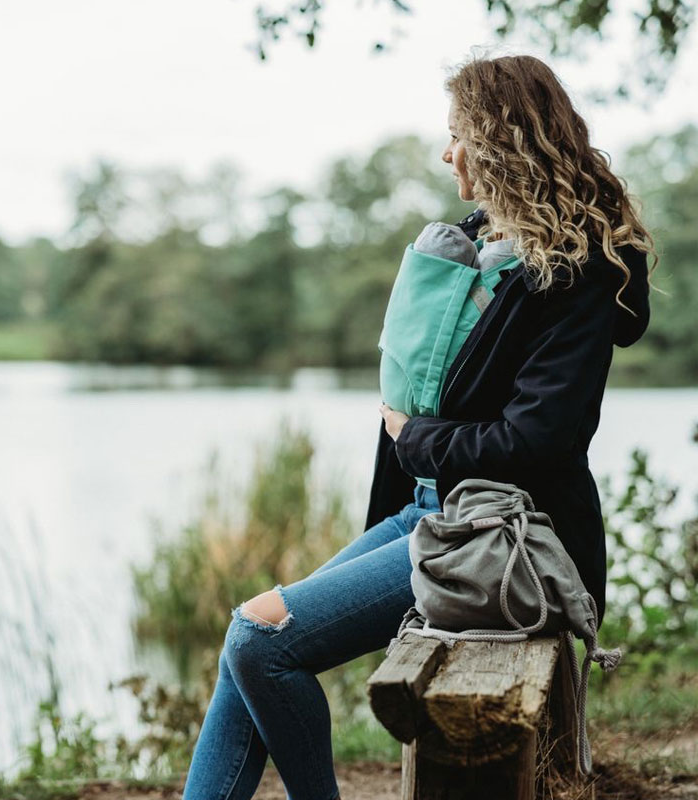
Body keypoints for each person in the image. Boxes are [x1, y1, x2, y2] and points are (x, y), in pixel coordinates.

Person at [181, 53, 657, 800]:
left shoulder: (576, 274)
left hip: (507, 532)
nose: (447, 153)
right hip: (434, 512)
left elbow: (534, 443)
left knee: (259, 637)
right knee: (243, 651)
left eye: (457, 134)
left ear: (500, 143)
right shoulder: (484, 247)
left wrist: (413, 436)